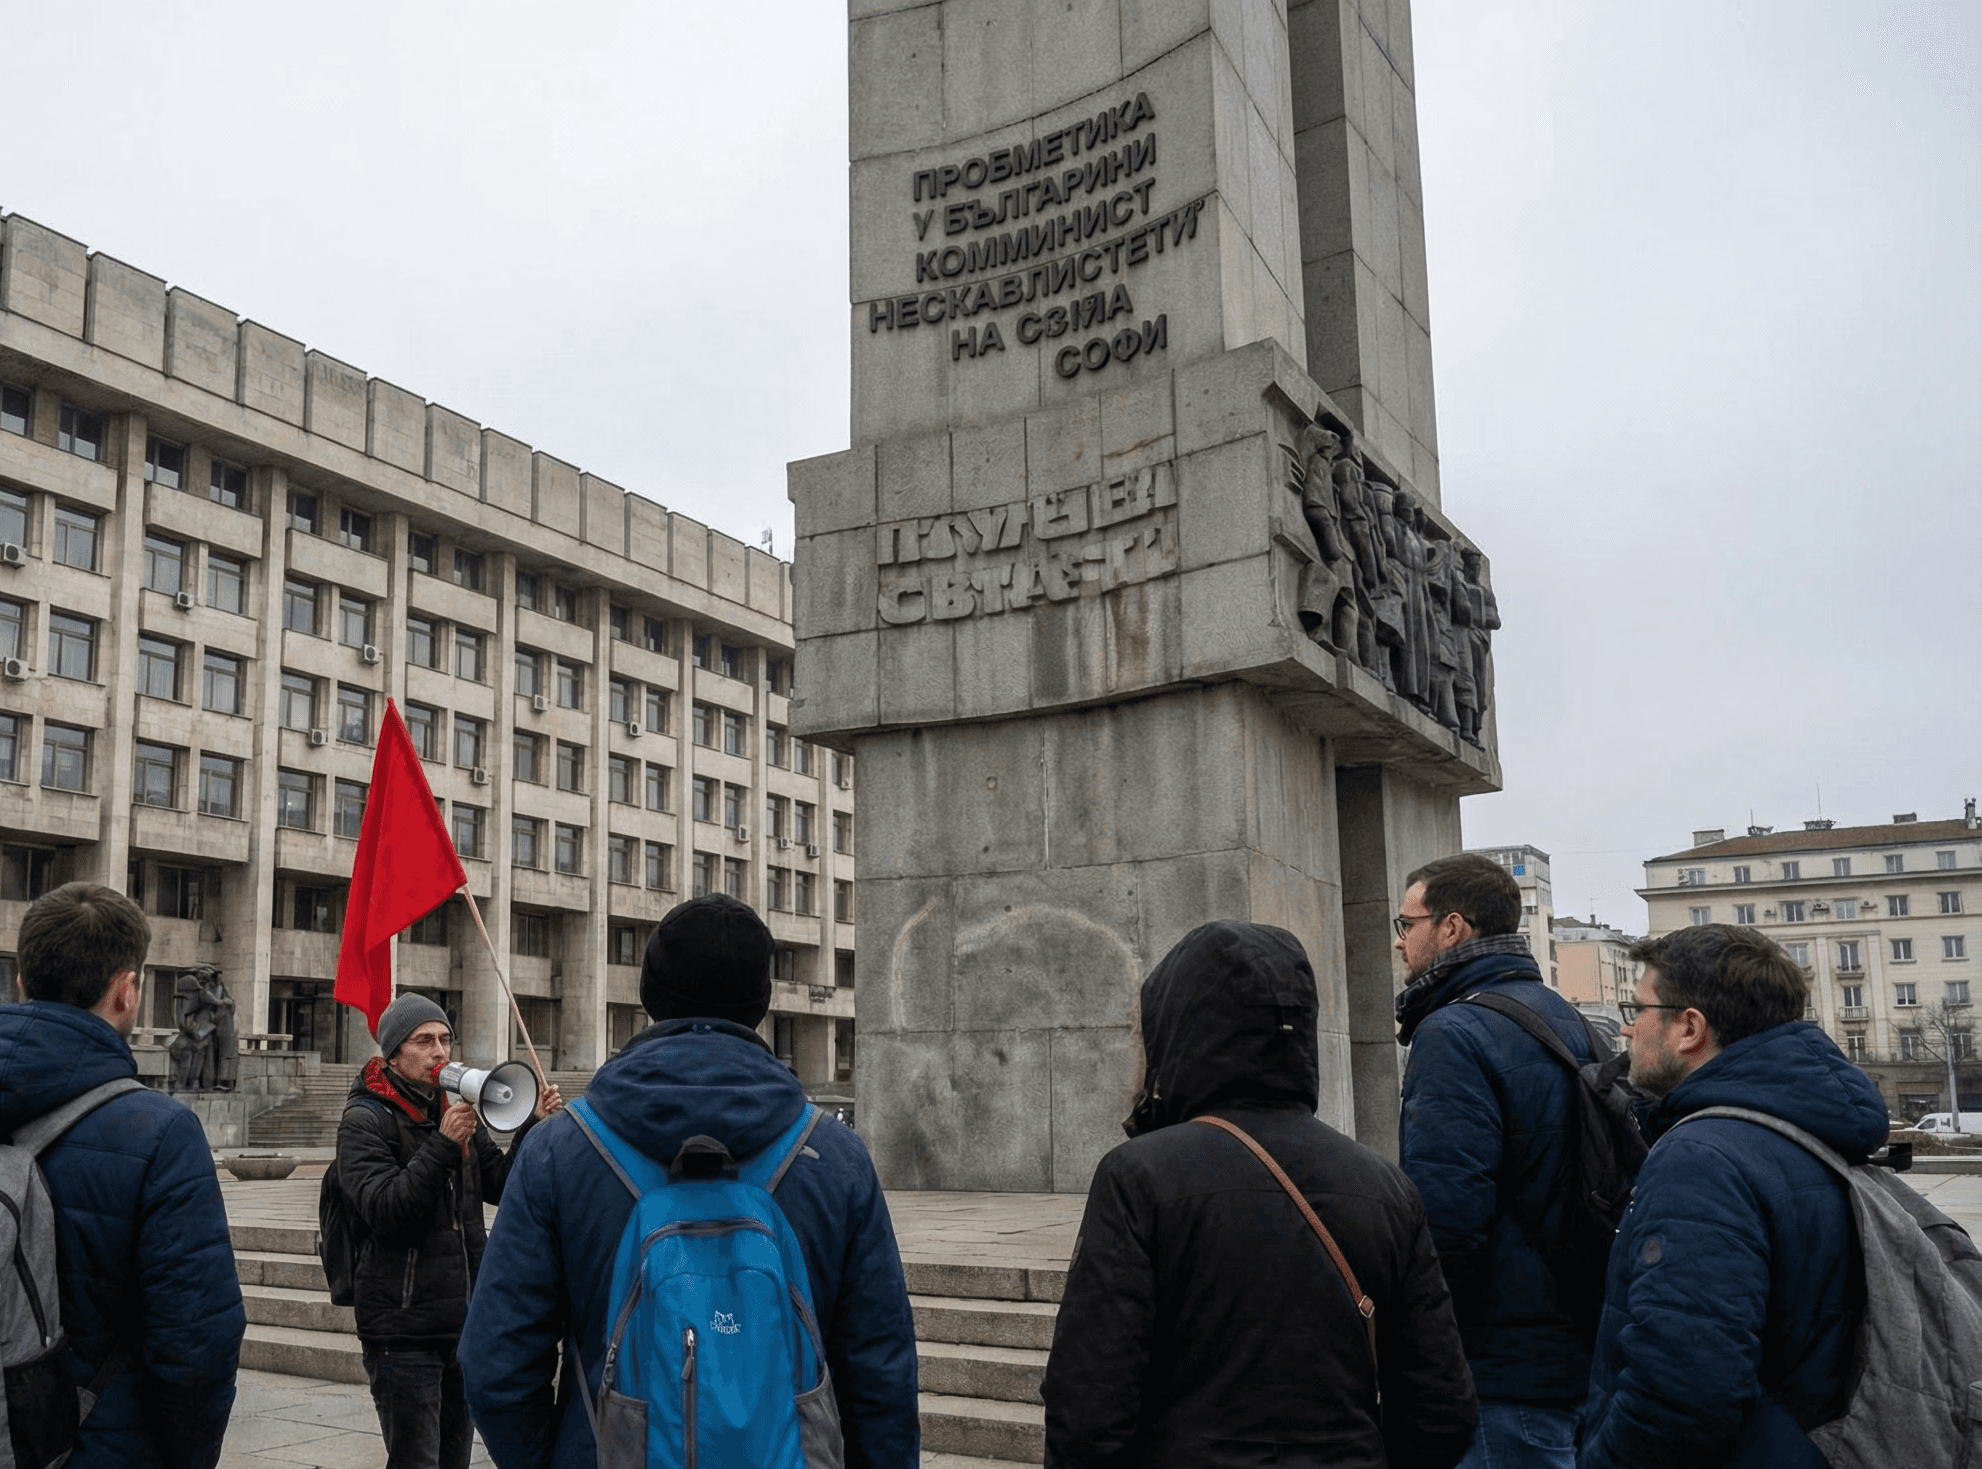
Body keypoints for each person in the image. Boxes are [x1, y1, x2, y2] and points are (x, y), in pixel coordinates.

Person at [460, 893, 919, 1468]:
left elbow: (495, 1363)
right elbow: (882, 1375)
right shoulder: (835, 1156)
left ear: (650, 994)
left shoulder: (559, 1150)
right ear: (761, 1001)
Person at [1042, 920, 1477, 1469]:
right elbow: (1442, 1404)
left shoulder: (1139, 1178)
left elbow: (1087, 1404)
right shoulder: (1386, 1186)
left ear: (1178, 1032)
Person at [1578, 925, 1887, 1468]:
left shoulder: (1703, 1157)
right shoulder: (1802, 1128)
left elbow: (1682, 1390)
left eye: (1640, 1007)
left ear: (1689, 1027)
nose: (1628, 1027)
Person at [0, 882, 244, 1468]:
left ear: (21, 983)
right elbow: (196, 1346)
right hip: (98, 1444)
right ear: (128, 990)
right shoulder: (159, 1134)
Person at [1393, 853, 1598, 1467]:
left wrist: (1413, 1346)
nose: (1399, 942)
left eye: (1407, 924)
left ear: (1451, 928)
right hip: (1574, 1346)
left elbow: (1447, 1217)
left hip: (1499, 1365)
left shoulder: (1455, 1031)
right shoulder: (1565, 1017)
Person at [336, 992, 563, 1469]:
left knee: (455, 1456)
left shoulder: (455, 1109)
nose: (440, 1051)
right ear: (393, 1053)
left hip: (462, 1323)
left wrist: (531, 1130)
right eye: (424, 1041)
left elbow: (501, 1184)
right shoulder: (365, 1120)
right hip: (402, 1330)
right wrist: (442, 1145)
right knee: (417, 1459)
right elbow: (386, 1210)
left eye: (445, 1039)